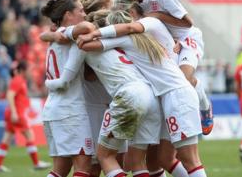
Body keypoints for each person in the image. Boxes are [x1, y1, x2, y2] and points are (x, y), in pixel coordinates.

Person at [77, 10, 207, 177]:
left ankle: (205, 108)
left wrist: (80, 35)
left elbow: (88, 46)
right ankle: (205, 107)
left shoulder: (126, 39)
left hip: (175, 96)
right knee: (160, 159)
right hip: (164, 98)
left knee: (189, 159)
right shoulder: (150, 35)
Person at [45, 9, 162, 177]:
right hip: (151, 97)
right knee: (137, 162)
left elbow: (74, 75)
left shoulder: (90, 45)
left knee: (104, 156)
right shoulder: (123, 43)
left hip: (128, 96)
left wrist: (58, 35)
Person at [116, 0, 213, 136]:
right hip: (169, 42)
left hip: (187, 38)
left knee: (184, 80)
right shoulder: (131, 2)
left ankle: (205, 107)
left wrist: (157, 15)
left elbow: (187, 23)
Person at [41, 0, 94, 177]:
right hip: (70, 110)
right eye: (80, 10)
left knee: (60, 170)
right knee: (84, 165)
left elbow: (45, 34)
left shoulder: (53, 38)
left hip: (53, 109)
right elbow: (87, 27)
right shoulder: (69, 32)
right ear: (68, 15)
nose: (84, 14)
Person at [0, 61, 51, 172]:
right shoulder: (18, 80)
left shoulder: (19, 80)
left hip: (12, 113)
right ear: (23, 70)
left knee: (7, 138)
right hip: (17, 113)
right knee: (30, 136)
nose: (30, 72)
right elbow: (10, 95)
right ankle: (36, 163)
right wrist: (14, 112)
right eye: (29, 70)